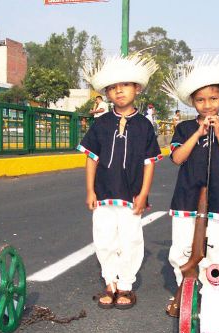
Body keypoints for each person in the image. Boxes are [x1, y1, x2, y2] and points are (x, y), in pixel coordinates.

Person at [162, 54, 219, 316]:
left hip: (217, 199)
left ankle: (213, 293)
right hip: (186, 199)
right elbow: (177, 157)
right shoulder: (185, 128)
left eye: (213, 99)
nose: (207, 105)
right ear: (192, 102)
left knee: (216, 249)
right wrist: (198, 132)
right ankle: (185, 291)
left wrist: (218, 133)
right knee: (182, 248)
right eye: (200, 100)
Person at [78, 53, 161, 309]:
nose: (118, 91)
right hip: (103, 194)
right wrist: (90, 190)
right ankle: (110, 283)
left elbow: (149, 163)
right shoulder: (101, 124)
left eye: (124, 85)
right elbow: (92, 159)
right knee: (104, 238)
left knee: (130, 239)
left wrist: (144, 194)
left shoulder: (145, 126)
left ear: (136, 88)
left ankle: (125, 284)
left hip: (131, 195)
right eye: (112, 88)